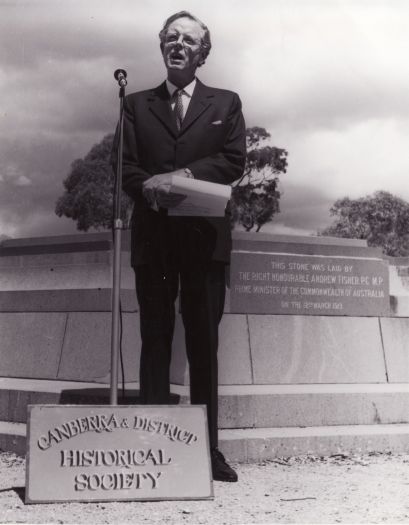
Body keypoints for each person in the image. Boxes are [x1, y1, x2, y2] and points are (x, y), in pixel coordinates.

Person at [115, 11, 246, 482]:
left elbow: (233, 159)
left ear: (202, 52)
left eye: (188, 40)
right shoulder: (135, 105)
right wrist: (148, 185)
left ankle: (207, 450)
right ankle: (151, 447)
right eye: (171, 38)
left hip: (203, 242)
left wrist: (184, 176)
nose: (178, 45)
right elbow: (123, 166)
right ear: (161, 47)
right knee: (154, 340)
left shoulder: (225, 103)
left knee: (203, 345)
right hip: (155, 241)